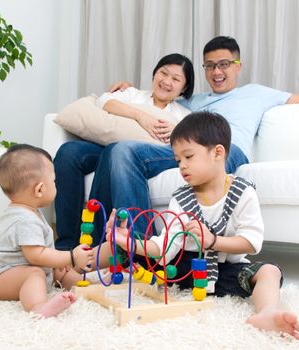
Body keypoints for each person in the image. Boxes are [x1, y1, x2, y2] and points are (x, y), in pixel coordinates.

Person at [82, 36, 299, 242]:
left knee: (123, 152)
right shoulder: (191, 102)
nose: (217, 71)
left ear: (238, 65)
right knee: (118, 151)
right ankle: (105, 248)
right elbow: (164, 97)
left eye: (224, 64)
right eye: (210, 66)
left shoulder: (257, 93)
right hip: (189, 153)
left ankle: (142, 252)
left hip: (229, 152)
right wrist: (131, 90)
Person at [110, 111, 299, 339]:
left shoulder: (243, 193)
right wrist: (130, 243)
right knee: (125, 250)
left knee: (269, 271)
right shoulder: (181, 199)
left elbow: (252, 242)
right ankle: (79, 264)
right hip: (181, 269)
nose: (182, 166)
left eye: (189, 157)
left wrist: (213, 241)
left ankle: (268, 312)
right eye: (178, 160)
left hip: (223, 271)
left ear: (217, 153)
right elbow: (164, 248)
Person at [54, 53, 211, 250]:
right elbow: (104, 102)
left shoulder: (182, 116)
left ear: (184, 88)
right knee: (68, 152)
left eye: (176, 79)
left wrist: (177, 134)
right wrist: (140, 116)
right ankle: (65, 245)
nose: (167, 81)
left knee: (115, 151)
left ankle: (96, 244)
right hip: (103, 144)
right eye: (163, 73)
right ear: (155, 74)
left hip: (133, 156)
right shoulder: (132, 94)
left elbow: (189, 145)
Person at [0, 144, 94, 318]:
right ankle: (38, 307)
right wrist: (71, 257)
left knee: (59, 270)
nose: (56, 185)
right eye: (54, 181)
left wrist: (60, 261)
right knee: (35, 273)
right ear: (40, 189)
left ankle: (87, 286)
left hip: (19, 269)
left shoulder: (29, 211)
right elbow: (36, 255)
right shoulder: (24, 219)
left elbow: (42, 254)